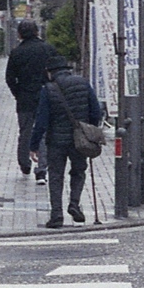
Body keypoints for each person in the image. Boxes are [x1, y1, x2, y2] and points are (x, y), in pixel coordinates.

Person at [30, 53, 103, 229]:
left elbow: (41, 120)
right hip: (80, 140)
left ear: (50, 72)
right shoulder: (83, 83)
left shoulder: (48, 89)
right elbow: (96, 112)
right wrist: (89, 130)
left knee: (56, 176)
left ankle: (56, 215)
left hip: (56, 140)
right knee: (78, 171)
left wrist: (34, 145)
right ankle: (74, 204)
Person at [5, 19, 55, 183]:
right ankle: (41, 169)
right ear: (37, 32)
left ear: (19, 34)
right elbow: (56, 73)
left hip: (25, 98)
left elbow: (10, 78)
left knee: (25, 131)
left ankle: (25, 164)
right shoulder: (48, 49)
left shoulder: (17, 52)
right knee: (44, 133)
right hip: (46, 96)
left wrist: (18, 93)